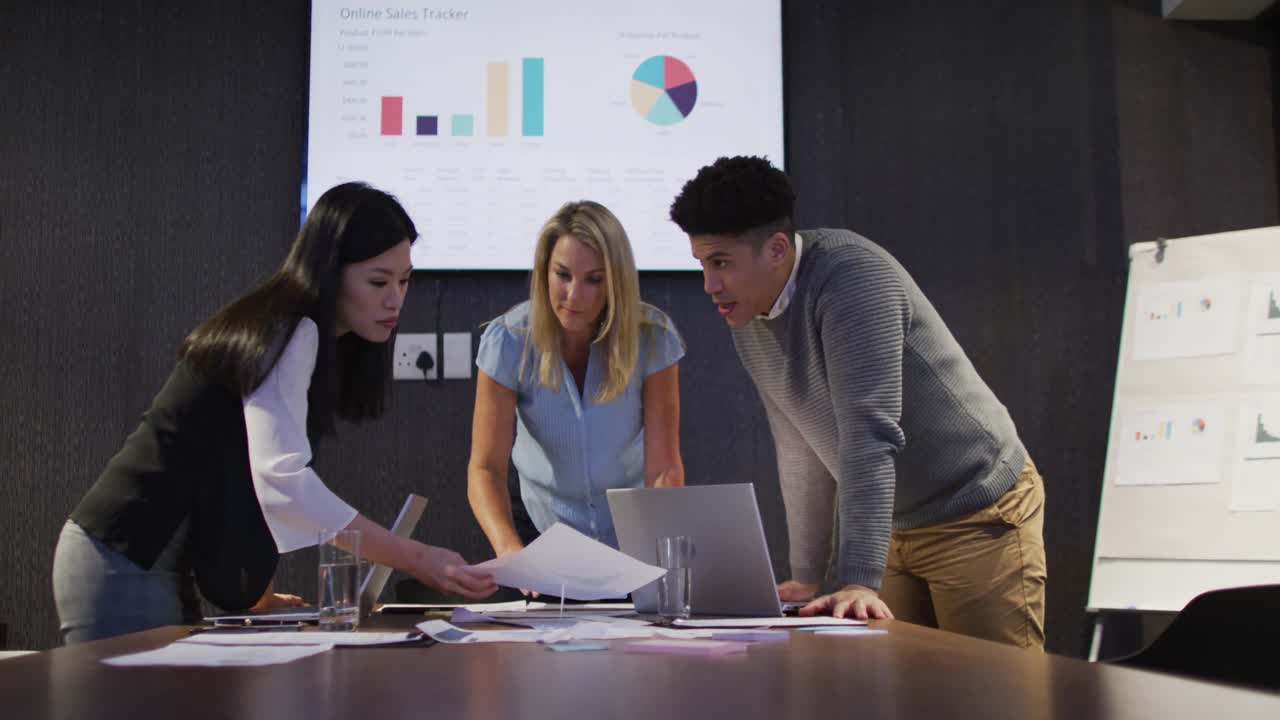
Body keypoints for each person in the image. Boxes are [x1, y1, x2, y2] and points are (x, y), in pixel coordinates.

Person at [52, 182, 496, 644]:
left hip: (145, 558)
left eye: (405, 281)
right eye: (378, 282)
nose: (395, 300)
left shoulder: (302, 333)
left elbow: (233, 469)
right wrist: (418, 558)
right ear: (330, 272)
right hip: (122, 554)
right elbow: (282, 481)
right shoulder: (292, 330)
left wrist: (259, 594)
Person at [669, 156, 1047, 649]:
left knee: (997, 697)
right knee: (901, 696)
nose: (709, 286)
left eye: (721, 263)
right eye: (702, 264)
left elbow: (869, 434)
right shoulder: (750, 319)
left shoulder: (852, 279)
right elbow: (800, 448)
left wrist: (857, 579)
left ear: (777, 249)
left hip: (975, 511)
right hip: (889, 524)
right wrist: (808, 576)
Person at [467, 200, 685, 562]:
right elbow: (485, 467)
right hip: (539, 531)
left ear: (616, 281)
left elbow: (663, 468)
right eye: (563, 275)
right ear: (544, 272)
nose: (574, 296)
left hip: (632, 533)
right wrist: (510, 552)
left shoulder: (653, 338)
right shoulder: (508, 341)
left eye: (594, 280)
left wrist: (658, 551)